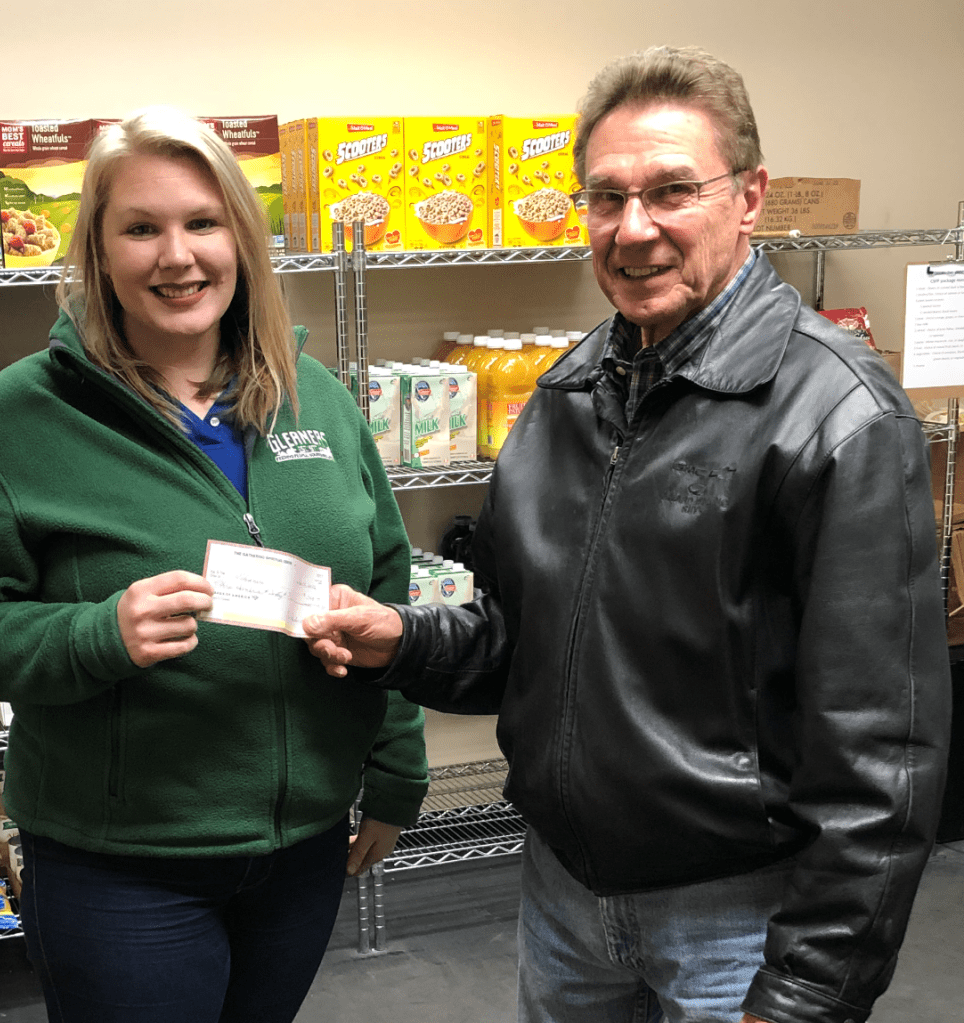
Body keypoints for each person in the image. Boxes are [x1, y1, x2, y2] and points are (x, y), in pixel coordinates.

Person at [303, 46, 952, 1023]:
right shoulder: (561, 397)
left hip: (738, 918)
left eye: (671, 190)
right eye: (605, 197)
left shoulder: (838, 418)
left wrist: (807, 993)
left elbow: (882, 755)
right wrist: (400, 640)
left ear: (748, 197)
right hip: (562, 895)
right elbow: (521, 647)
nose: (632, 227)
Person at [0, 107, 427, 1023]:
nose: (177, 256)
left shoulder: (315, 397)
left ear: (241, 240)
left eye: (202, 223)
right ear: (98, 251)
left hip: (302, 849)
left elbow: (385, 593)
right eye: (141, 228)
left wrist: (395, 770)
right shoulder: (14, 420)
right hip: (118, 868)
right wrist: (97, 633)